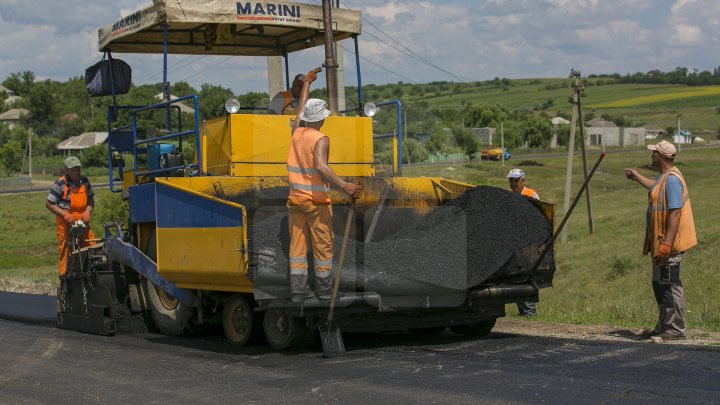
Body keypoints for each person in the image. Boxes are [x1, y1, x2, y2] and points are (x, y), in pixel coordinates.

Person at [286, 67, 361, 303]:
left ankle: (298, 292)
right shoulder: (321, 138)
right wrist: (345, 186)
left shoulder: (297, 131)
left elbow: (301, 107)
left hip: (295, 199)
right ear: (322, 118)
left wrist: (307, 83)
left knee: (297, 247)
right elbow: (321, 166)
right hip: (315, 202)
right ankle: (325, 292)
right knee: (323, 247)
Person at [625, 140, 696, 340]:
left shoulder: (672, 180)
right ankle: (664, 325)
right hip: (661, 243)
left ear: (661, 157)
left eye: (653, 153)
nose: (651, 157)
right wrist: (638, 177)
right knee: (660, 284)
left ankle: (675, 329)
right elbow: (655, 187)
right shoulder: (664, 177)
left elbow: (675, 213)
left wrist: (667, 244)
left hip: (669, 245)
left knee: (669, 285)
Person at [46, 156, 97, 276]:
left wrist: (87, 211)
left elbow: (91, 201)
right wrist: (65, 215)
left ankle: (90, 276)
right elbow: (49, 203)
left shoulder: (84, 181)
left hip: (83, 222)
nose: (76, 172)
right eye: (73, 170)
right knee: (66, 251)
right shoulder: (60, 184)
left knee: (92, 247)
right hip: (65, 223)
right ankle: (65, 280)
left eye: (78, 169)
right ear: (66, 170)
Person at [507, 168, 539, 316]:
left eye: (516, 180)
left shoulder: (531, 194)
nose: (513, 183)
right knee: (515, 275)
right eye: (511, 180)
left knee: (526, 275)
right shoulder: (508, 197)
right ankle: (524, 311)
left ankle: (529, 311)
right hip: (514, 242)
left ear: (523, 181)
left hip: (528, 243)